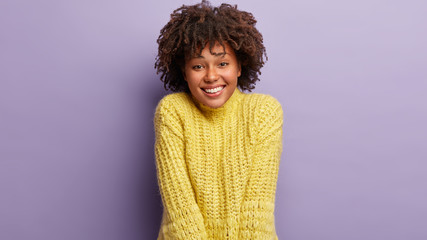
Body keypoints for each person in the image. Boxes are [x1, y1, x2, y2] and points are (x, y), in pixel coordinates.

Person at [153, 1, 283, 239]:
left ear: (239, 67)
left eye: (223, 63)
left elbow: (257, 211)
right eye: (198, 66)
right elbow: (180, 210)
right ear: (184, 72)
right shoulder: (172, 111)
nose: (212, 76)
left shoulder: (264, 111)